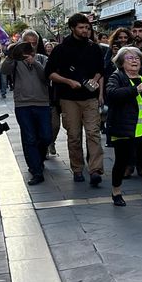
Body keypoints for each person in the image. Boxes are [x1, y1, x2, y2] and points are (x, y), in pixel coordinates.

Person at [45, 14, 105, 185]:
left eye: (87, 27)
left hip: (90, 97)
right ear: (72, 28)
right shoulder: (60, 50)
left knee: (93, 133)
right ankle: (77, 169)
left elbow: (101, 69)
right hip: (68, 98)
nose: (85, 30)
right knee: (74, 135)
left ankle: (95, 170)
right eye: (81, 27)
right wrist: (68, 81)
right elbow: (49, 73)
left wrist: (95, 79)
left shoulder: (94, 48)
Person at [106, 47, 142, 212]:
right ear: (121, 62)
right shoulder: (117, 77)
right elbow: (111, 94)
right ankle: (116, 192)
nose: (134, 61)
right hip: (125, 130)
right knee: (122, 162)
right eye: (130, 58)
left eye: (137, 58)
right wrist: (134, 90)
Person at [0, 40, 51, 185]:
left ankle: (38, 159)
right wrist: (11, 56)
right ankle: (36, 171)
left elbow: (46, 77)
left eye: (33, 43)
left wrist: (34, 62)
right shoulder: (15, 61)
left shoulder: (42, 59)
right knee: (29, 138)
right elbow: (4, 70)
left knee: (46, 136)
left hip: (42, 103)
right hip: (23, 104)